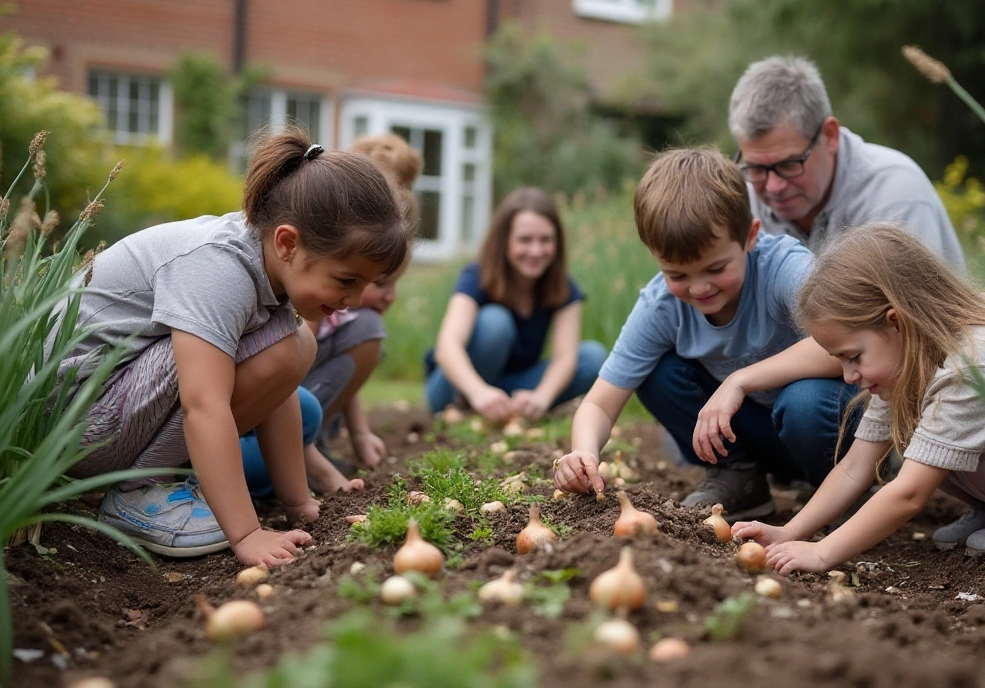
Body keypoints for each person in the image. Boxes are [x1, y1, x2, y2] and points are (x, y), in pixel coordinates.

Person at [56, 127, 414, 566]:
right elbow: (203, 406)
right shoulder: (219, 269)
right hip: (75, 421)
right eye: (346, 280)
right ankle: (138, 493)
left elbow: (278, 394)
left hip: (117, 406)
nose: (355, 300)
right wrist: (247, 534)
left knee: (297, 345)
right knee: (283, 348)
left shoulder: (266, 266)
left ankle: (156, 483)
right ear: (287, 243)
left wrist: (299, 504)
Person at [733, 225, 985, 571]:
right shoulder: (913, 352)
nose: (848, 376)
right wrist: (791, 531)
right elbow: (855, 466)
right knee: (917, 425)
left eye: (853, 356)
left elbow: (909, 493)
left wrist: (821, 552)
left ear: (896, 322)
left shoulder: (981, 357)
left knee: (930, 439)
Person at [552, 148, 855, 521]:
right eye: (677, 275)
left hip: (825, 427)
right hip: (759, 432)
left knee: (805, 400)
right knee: (656, 371)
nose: (698, 288)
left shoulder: (784, 268)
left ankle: (842, 489)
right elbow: (599, 403)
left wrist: (740, 381)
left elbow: (844, 342)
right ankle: (739, 478)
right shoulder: (661, 305)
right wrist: (584, 452)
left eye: (715, 268)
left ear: (750, 236)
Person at [729, 55, 966, 270]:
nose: (773, 187)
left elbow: (911, 314)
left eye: (789, 164)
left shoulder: (895, 196)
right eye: (757, 168)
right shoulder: (743, 203)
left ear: (830, 135)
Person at [425, 187, 606, 422]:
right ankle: (466, 407)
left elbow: (565, 359)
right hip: (457, 388)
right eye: (525, 240)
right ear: (504, 241)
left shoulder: (563, 285)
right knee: (495, 321)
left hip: (515, 385)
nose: (536, 250)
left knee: (593, 357)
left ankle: (515, 408)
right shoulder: (476, 276)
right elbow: (447, 347)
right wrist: (478, 392)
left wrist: (542, 396)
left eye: (545, 240)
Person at [299, 133, 422, 475]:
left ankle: (312, 440)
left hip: (295, 410)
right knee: (367, 330)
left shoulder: (340, 308)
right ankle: (303, 448)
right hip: (273, 416)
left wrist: (361, 432)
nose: (389, 296)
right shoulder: (312, 304)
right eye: (379, 283)